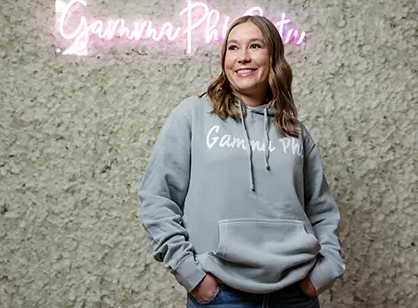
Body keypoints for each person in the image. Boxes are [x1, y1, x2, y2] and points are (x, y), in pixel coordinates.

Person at [138, 15, 345, 308]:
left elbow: (321, 210)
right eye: (233, 48)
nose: (243, 57)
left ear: (273, 57)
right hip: (222, 295)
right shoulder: (193, 116)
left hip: (295, 296)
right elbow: (157, 197)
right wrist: (192, 274)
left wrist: (326, 271)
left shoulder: (295, 131)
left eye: (255, 46)